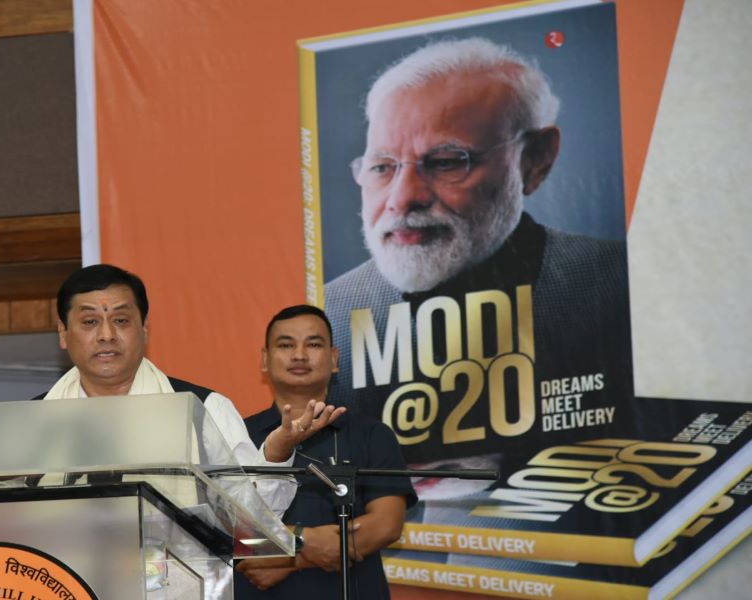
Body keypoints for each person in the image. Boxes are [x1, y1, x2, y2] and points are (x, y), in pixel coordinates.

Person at [324, 37, 632, 419]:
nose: (402, 199)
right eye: (382, 167)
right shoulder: (327, 318)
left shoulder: (625, 286)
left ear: (535, 160)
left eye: (446, 162)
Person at [38, 264, 345, 514]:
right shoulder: (34, 422)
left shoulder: (202, 408)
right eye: (89, 322)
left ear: (144, 329)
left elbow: (253, 518)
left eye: (121, 320)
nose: (106, 335)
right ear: (63, 333)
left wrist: (276, 454)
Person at [235, 305, 416, 599]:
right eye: (286, 345)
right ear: (265, 359)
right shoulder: (235, 434)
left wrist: (294, 556)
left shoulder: (372, 434)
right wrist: (307, 540)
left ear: (333, 359)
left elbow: (386, 525)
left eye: (314, 344)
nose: (299, 355)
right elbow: (222, 527)